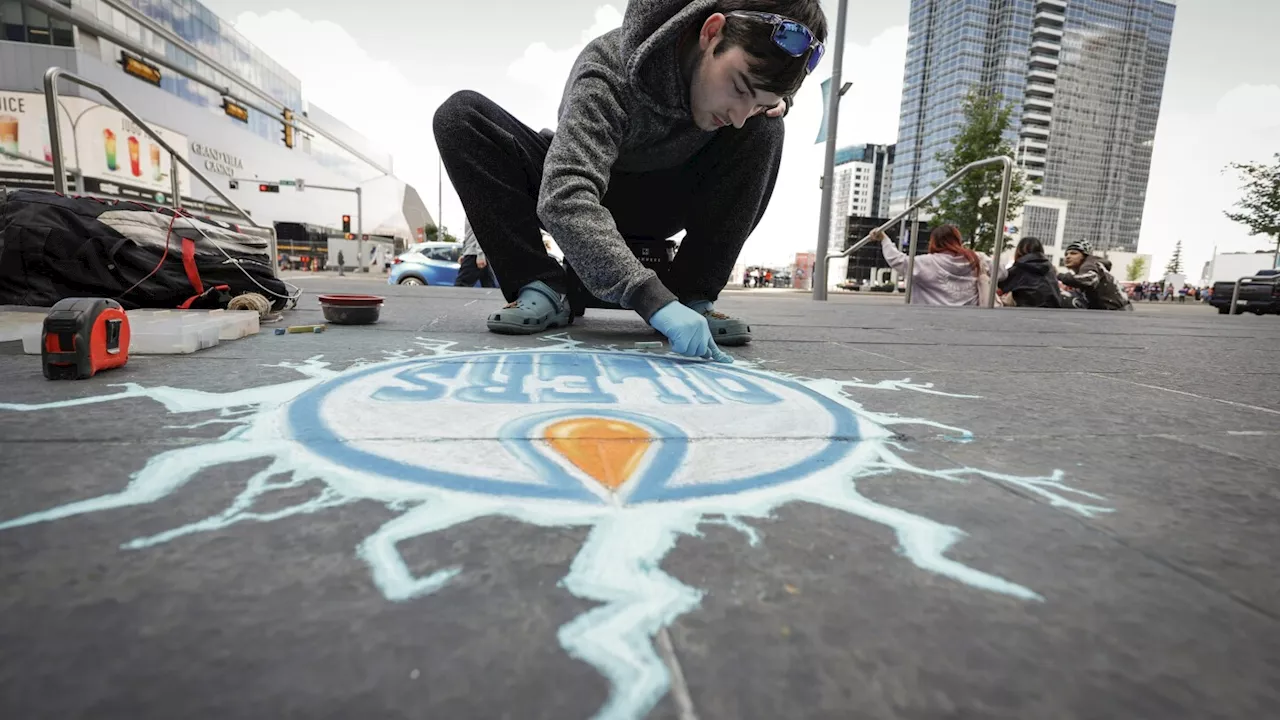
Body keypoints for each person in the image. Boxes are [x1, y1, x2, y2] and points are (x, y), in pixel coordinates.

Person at [434, 0, 828, 363]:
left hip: (665, 201)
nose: (739, 114)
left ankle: (693, 295)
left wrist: (772, 102)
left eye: (757, 100)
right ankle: (540, 287)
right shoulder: (608, 71)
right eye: (739, 88)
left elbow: (760, 97)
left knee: (765, 130)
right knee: (461, 117)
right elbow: (565, 193)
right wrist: (652, 301)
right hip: (590, 191)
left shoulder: (746, 105)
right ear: (711, 32)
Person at [871, 225, 994, 306]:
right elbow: (1002, 272)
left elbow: (896, 260)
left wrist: (884, 239)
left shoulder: (927, 262)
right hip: (970, 318)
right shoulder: (978, 258)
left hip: (932, 317)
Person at [1057, 240, 1131, 311]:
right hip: (1115, 311)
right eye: (1066, 254)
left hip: (1116, 314)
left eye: (1073, 253)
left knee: (1065, 298)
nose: (1068, 256)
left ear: (1084, 256)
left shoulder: (1089, 263)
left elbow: (1089, 280)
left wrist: (1058, 275)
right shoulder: (1092, 266)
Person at [997, 236, 1061, 308]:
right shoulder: (1050, 269)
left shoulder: (1019, 268)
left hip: (1028, 311)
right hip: (1054, 310)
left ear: (1019, 250)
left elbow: (998, 287)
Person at [454, 218, 496, 288]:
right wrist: (464, 253)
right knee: (489, 287)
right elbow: (468, 235)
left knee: (460, 286)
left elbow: (481, 231)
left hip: (474, 255)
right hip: (477, 254)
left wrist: (480, 255)